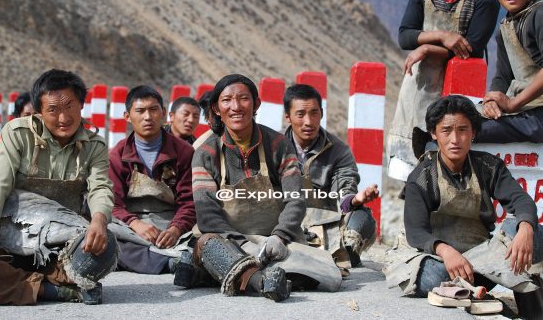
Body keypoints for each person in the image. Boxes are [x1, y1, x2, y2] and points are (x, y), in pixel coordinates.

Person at [0, 69, 117, 305]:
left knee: (105, 249)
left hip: (59, 247)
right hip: (9, 241)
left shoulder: (95, 145)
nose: (63, 118)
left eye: (69, 106)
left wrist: (99, 220)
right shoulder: (17, 134)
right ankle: (58, 290)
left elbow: (100, 188)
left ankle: (28, 284)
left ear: (81, 106)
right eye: (53, 110)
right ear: (38, 112)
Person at [174, 74, 341, 302]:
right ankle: (261, 282)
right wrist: (242, 246)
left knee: (325, 277)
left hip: (272, 242)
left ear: (256, 104)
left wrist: (280, 237)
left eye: (243, 98)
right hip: (229, 241)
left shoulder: (279, 145)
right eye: (226, 100)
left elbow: (295, 199)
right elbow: (207, 215)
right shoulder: (205, 153)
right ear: (216, 108)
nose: (235, 107)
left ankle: (212, 275)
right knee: (209, 244)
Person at [386, 95, 543, 317]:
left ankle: (532, 313)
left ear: (473, 133)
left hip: (482, 258)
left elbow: (521, 200)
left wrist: (526, 228)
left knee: (532, 236)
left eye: (462, 130)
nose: (455, 139)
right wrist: (446, 251)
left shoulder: (488, 166)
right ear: (434, 134)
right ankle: (472, 294)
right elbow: (416, 232)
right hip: (441, 261)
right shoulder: (421, 176)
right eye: (446, 130)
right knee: (428, 277)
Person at [387, 0, 499, 179]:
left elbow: (472, 47)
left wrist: (425, 47)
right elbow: (405, 35)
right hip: (420, 83)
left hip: (459, 83)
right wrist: (441, 36)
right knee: (413, 146)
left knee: (452, 143)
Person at [283, 84, 378, 269]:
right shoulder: (274, 147)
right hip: (285, 223)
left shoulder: (339, 150)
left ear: (322, 114)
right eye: (300, 114)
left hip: (326, 225)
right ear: (288, 116)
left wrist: (355, 199)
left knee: (362, 218)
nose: (309, 122)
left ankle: (340, 254)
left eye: (314, 113)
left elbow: (344, 190)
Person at [110, 85, 196, 274]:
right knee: (105, 234)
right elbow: (113, 204)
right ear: (127, 116)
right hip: (131, 229)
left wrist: (175, 229)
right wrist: (136, 224)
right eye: (140, 111)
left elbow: (189, 202)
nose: (148, 117)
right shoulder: (117, 155)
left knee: (203, 237)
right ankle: (170, 263)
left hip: (171, 224)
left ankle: (158, 258)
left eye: (153, 110)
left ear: (163, 113)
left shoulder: (184, 152)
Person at [477, 0, 543, 143]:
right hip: (529, 110)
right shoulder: (506, 26)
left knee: (469, 130)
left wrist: (513, 103)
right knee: (454, 114)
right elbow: (503, 76)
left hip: (538, 115)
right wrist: (491, 100)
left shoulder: (539, 15)